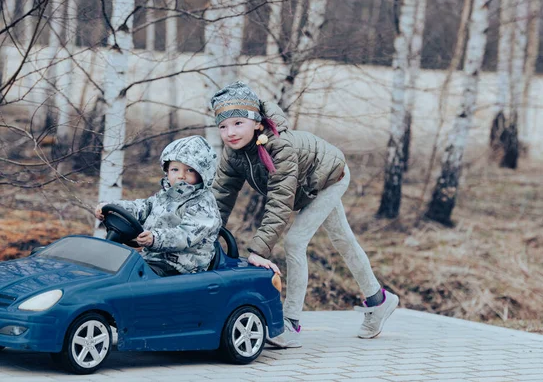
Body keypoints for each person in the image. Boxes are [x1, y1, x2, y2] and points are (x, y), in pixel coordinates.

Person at [210, 81, 399, 348]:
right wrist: (204, 235)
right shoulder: (233, 154)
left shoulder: (280, 146)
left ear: (256, 122)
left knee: (295, 242)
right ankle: (379, 301)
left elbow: (279, 201)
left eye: (238, 123)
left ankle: (291, 323)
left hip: (330, 176)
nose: (230, 132)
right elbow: (221, 196)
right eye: (223, 126)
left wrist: (260, 250)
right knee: (343, 240)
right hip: (308, 187)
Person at [94, 135, 221, 277]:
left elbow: (185, 235)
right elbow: (143, 207)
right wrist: (112, 206)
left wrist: (155, 239)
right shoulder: (167, 195)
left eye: (190, 170)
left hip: (182, 266)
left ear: (203, 174)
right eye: (175, 169)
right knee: (108, 266)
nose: (181, 176)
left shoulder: (203, 204)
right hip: (153, 258)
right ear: (167, 171)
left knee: (131, 277)